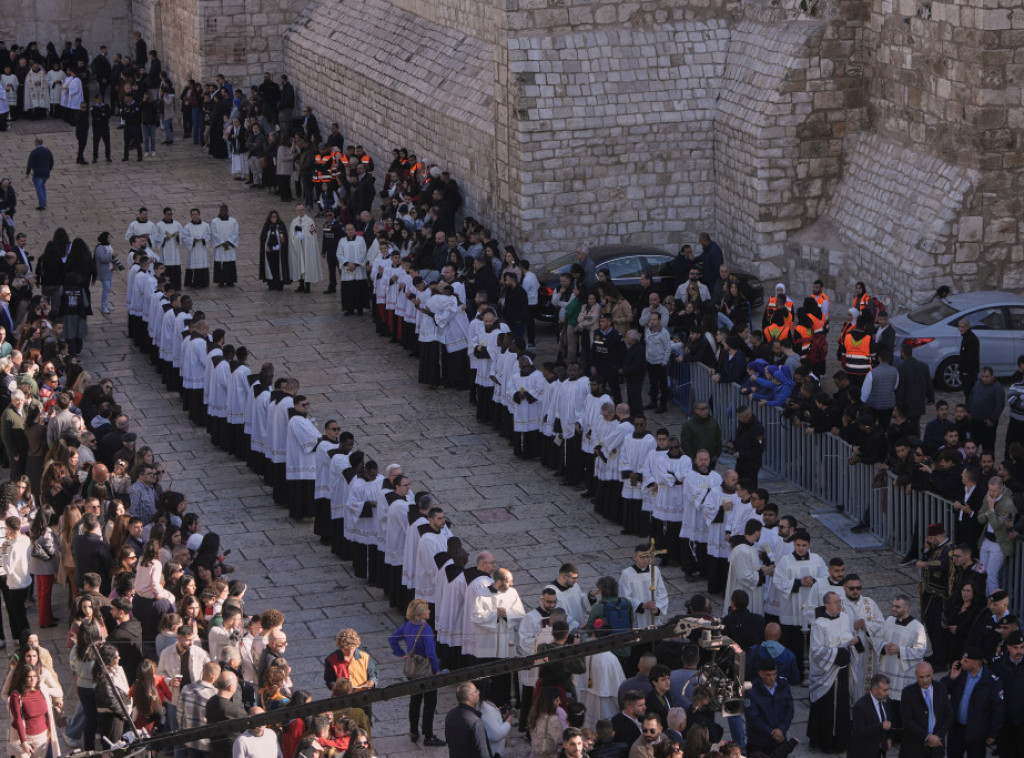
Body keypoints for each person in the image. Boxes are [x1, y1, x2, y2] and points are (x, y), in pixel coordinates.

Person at [388, 598, 445, 746]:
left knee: (415, 700)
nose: (429, 611)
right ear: (421, 613)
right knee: (430, 703)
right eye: (426, 609)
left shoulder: (407, 626)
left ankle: (414, 731)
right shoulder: (425, 629)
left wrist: (401, 654)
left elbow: (392, 639)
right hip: (426, 670)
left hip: (412, 669)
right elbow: (431, 653)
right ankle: (428, 735)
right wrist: (437, 671)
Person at [807, 591, 855, 753]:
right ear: (827, 605)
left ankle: (841, 741)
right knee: (827, 709)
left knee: (842, 707)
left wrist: (850, 644)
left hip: (841, 671)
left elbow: (847, 638)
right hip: (826, 673)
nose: (839, 605)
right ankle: (826, 742)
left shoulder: (845, 617)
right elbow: (816, 651)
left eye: (839, 602)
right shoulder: (819, 624)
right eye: (835, 602)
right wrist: (841, 653)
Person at [943, 646, 1004, 758]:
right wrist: (951, 678)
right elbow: (941, 691)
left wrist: (993, 734)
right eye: (962, 658)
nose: (961, 662)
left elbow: (998, 710)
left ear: (976, 664)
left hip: (977, 734)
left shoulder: (991, 682)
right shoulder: (960, 673)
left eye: (966, 661)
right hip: (956, 730)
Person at [899, 662, 953, 758]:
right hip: (914, 748)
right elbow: (907, 721)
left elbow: (949, 715)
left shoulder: (941, 689)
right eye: (921, 677)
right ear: (916, 675)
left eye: (928, 676)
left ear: (932, 673)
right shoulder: (908, 692)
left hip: (936, 746)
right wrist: (927, 737)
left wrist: (937, 738)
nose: (925, 680)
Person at [7, 664, 60, 758]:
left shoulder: (43, 690)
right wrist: (24, 742)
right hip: (21, 739)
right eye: (29, 677)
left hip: (41, 738)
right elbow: (18, 719)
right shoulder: (16, 695)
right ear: (24, 678)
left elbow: (48, 712)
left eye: (35, 676)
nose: (32, 679)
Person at [745, 658, 795, 756]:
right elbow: (753, 718)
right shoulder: (751, 690)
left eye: (774, 674)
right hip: (759, 744)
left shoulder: (783, 685)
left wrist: (782, 729)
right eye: (768, 675)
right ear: (760, 673)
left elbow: (789, 710)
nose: (772, 678)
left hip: (780, 740)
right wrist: (773, 733)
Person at [848, 674, 894, 758]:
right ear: (874, 690)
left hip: (879, 751)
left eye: (888, 689)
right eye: (885, 690)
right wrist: (881, 726)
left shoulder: (886, 702)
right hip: (864, 752)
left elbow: (888, 721)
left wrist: (889, 738)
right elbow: (859, 731)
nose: (888, 693)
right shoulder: (861, 706)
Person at [0, 515, 31, 640]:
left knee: (19, 615)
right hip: (26, 580)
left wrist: (4, 553)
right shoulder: (26, 539)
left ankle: (25, 639)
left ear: (10, 529)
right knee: (21, 612)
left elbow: (9, 569)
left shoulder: (13, 548)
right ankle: (21, 638)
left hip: (16, 584)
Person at [444, 681, 493, 758]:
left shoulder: (450, 715)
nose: (478, 693)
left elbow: (448, 739)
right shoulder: (475, 722)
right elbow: (483, 754)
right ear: (469, 697)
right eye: (476, 691)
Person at [288, 204, 321, 293]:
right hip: (298, 248)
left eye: (302, 210)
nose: (300, 212)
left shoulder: (309, 221)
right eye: (298, 210)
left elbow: (312, 234)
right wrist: (297, 237)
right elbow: (292, 235)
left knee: (307, 265)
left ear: (304, 210)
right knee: (299, 265)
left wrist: (303, 236)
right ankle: (301, 284)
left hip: (307, 248)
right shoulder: (294, 222)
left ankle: (308, 286)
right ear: (296, 211)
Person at [24, 138, 54, 212]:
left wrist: (27, 173)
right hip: (46, 173)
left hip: (37, 173)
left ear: (36, 143)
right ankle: (44, 202)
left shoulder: (34, 152)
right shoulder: (47, 151)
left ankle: (42, 205)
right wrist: (48, 170)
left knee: (39, 189)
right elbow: (52, 162)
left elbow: (30, 163)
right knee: (42, 187)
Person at [957, 319, 980, 403]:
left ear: (968, 327)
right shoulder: (966, 337)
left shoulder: (971, 339)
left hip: (969, 374)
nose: (961, 329)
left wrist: (966, 371)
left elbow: (971, 357)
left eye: (963, 327)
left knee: (969, 394)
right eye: (959, 327)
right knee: (968, 394)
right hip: (966, 373)